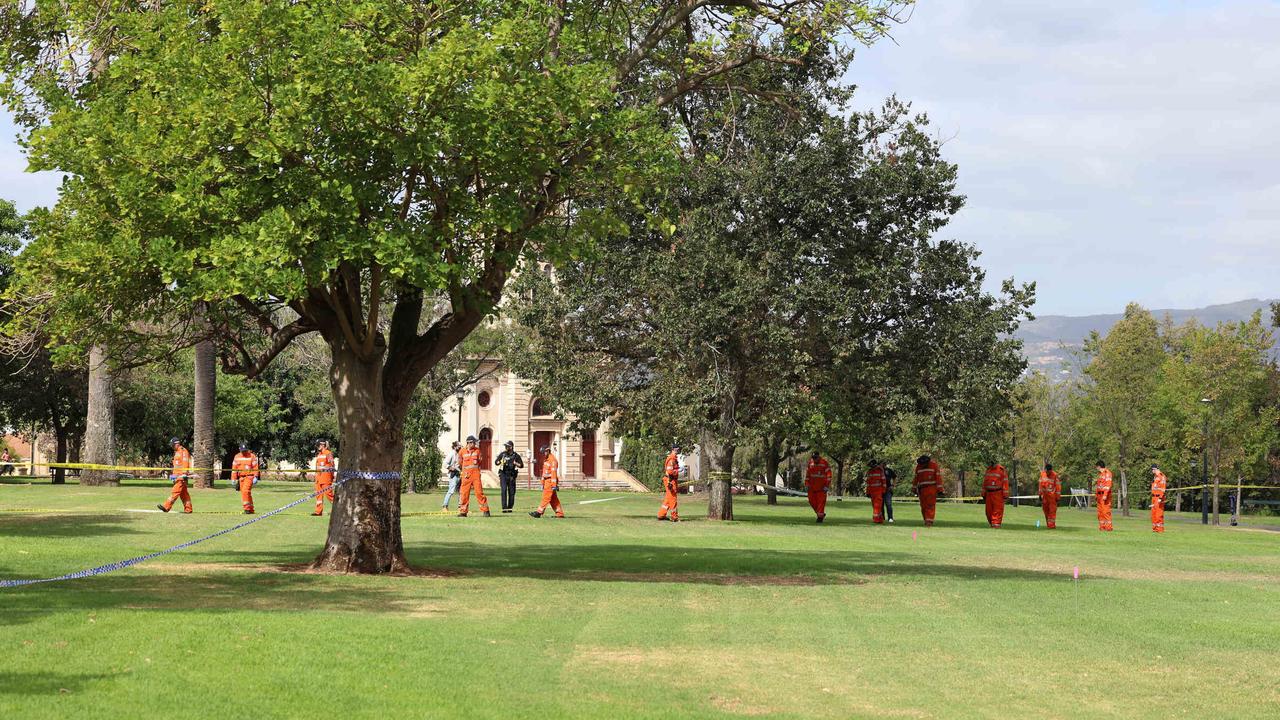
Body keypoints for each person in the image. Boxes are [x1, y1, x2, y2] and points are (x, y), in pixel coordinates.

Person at [157, 437, 194, 514]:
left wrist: (184, 474)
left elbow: (185, 463)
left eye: (172, 445)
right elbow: (177, 466)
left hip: (181, 476)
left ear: (176, 444)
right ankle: (188, 509)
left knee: (175, 491)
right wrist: (173, 476)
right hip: (177, 476)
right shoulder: (177, 452)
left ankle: (166, 507)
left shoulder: (183, 451)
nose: (172, 447)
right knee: (184, 495)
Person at [457, 435, 490, 517]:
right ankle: (463, 512)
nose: (475, 444)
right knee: (464, 493)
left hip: (475, 475)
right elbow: (460, 462)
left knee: (479, 493)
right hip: (466, 476)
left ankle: (486, 511)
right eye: (473, 442)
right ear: (469, 443)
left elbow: (480, 461)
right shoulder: (462, 451)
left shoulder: (478, 451)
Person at [529, 445, 564, 518]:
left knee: (546, 497)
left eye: (544, 452)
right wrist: (542, 483)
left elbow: (554, 473)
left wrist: (554, 485)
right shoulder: (546, 459)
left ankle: (539, 512)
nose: (543, 454)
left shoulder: (553, 460)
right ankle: (559, 514)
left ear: (548, 451)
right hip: (546, 481)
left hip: (550, 482)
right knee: (553, 499)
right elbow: (544, 472)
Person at [912, 455, 943, 526]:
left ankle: (929, 521)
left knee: (930, 505)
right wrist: (914, 488)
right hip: (922, 489)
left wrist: (940, 489)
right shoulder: (918, 466)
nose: (922, 465)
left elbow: (938, 478)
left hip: (931, 488)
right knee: (923, 506)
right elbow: (916, 478)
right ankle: (926, 519)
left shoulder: (934, 465)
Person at [495, 440, 524, 513]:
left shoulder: (516, 455)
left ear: (511, 447)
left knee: (511, 492)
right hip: (503, 474)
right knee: (503, 490)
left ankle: (509, 508)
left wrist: (515, 463)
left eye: (507, 446)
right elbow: (496, 462)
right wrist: (500, 462)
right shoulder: (503, 454)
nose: (506, 447)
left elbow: (521, 465)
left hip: (511, 476)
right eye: (505, 446)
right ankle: (504, 508)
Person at [231, 443, 260, 514]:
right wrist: (233, 478)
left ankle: (247, 509)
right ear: (240, 450)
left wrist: (255, 476)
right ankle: (251, 509)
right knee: (246, 493)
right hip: (241, 478)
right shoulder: (237, 457)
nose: (244, 452)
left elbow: (255, 467)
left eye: (245, 450)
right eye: (243, 451)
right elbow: (234, 469)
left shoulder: (252, 456)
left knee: (245, 491)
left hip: (249, 476)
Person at [805, 451, 832, 523]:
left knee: (821, 503)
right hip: (812, 488)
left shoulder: (824, 463)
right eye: (813, 458)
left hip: (821, 488)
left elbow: (829, 475)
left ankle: (820, 518)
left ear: (818, 457)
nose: (814, 459)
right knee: (811, 501)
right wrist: (807, 484)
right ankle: (821, 514)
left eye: (815, 458)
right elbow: (807, 475)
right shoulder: (810, 463)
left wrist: (827, 486)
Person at [657, 443, 681, 522]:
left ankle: (661, 515)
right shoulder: (671, 459)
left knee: (668, 498)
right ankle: (674, 517)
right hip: (670, 480)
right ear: (674, 449)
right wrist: (678, 471)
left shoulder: (673, 458)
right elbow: (670, 471)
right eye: (677, 449)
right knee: (673, 498)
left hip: (670, 480)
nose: (678, 450)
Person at [981, 461, 1009, 528]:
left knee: (997, 510)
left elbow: (1005, 482)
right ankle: (992, 524)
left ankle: (996, 525)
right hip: (988, 494)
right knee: (988, 511)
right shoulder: (988, 470)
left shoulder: (1001, 470)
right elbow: (985, 482)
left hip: (998, 493)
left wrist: (1005, 495)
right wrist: (983, 493)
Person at [312, 440, 336, 517]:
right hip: (319, 478)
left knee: (329, 495)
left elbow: (332, 466)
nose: (317, 446)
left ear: (323, 445)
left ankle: (338, 510)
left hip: (326, 478)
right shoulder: (319, 454)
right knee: (318, 495)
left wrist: (332, 476)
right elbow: (317, 467)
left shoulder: (328, 453)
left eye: (318, 445)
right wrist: (316, 476)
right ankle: (318, 512)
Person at [1038, 463, 1061, 529]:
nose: (1048, 473)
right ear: (1045, 470)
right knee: (1046, 511)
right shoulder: (1042, 474)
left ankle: (1051, 526)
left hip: (1052, 498)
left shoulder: (1055, 475)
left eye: (1049, 472)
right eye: (1047, 471)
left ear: (1051, 470)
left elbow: (1058, 487)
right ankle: (1048, 524)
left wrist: (1058, 498)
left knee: (1052, 511)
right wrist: (1040, 495)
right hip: (1045, 497)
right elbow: (1040, 485)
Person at [441, 441, 461, 511]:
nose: (460, 447)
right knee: (451, 491)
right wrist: (451, 468)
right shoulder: (451, 454)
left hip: (459, 474)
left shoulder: (459, 453)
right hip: (453, 474)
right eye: (459, 446)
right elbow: (445, 463)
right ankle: (445, 506)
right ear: (455, 447)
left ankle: (460, 507)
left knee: (461, 491)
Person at [1094, 461, 1113, 532]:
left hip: (1105, 496)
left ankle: (1109, 527)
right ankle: (1102, 527)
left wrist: (1105, 495)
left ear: (1099, 466)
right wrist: (1096, 495)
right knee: (1100, 513)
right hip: (1099, 496)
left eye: (1096, 467)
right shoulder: (1100, 474)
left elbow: (1108, 485)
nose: (1096, 468)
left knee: (1106, 512)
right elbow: (1098, 486)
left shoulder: (1107, 473)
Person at [1150, 464, 1167, 533]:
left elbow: (1163, 488)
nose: (1152, 471)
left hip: (1159, 497)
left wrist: (1160, 497)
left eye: (1152, 469)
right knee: (1154, 514)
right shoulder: (1155, 477)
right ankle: (1155, 528)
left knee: (1159, 514)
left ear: (1155, 469)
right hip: (1154, 497)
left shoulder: (1161, 476)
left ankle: (1160, 529)